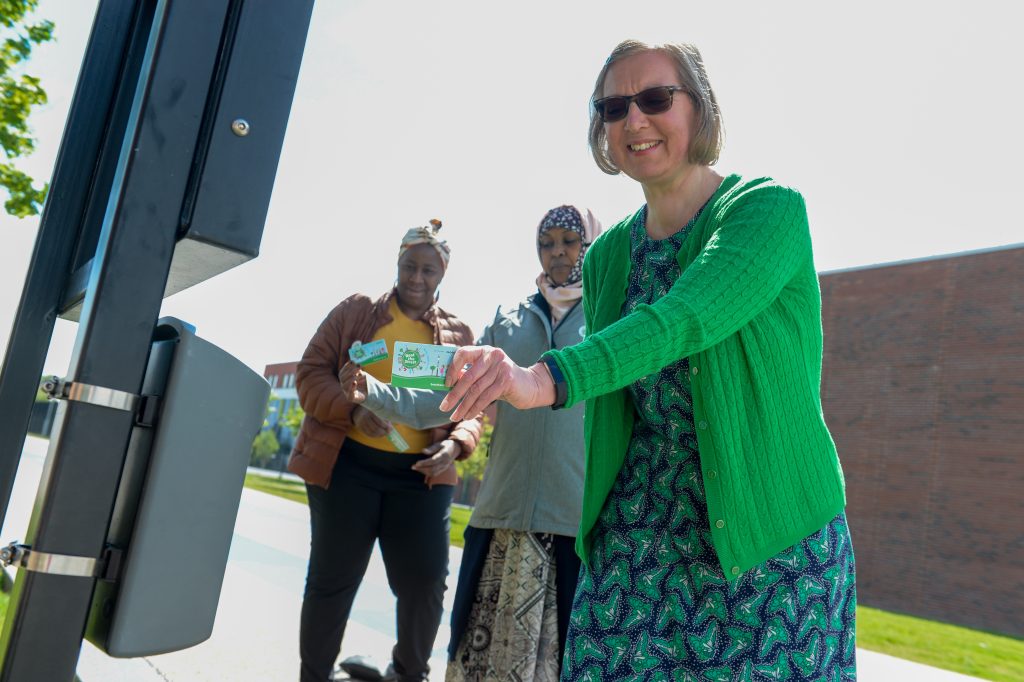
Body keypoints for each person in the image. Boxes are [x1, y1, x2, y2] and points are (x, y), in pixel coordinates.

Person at [439, 41, 856, 680]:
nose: (633, 119)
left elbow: (685, 318)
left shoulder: (766, 211)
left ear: (700, 108)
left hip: (768, 539)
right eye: (613, 107)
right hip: (635, 540)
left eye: (655, 98)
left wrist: (548, 376)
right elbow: (620, 405)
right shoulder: (607, 256)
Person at [340, 205, 604, 681]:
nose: (557, 252)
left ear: (590, 243)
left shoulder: (608, 321)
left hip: (571, 526)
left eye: (569, 240)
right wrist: (373, 393)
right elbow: (448, 398)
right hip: (500, 518)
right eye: (547, 243)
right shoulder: (508, 321)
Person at [288, 220, 482, 682]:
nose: (417, 278)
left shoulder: (459, 336)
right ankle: (313, 676)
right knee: (332, 582)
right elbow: (310, 374)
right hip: (348, 467)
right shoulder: (355, 314)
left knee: (426, 584)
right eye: (409, 266)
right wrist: (350, 412)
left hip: (420, 477)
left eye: (428, 270)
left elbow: (475, 408)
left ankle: (408, 674)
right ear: (396, 265)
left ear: (442, 275)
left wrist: (456, 445)